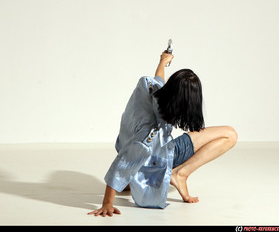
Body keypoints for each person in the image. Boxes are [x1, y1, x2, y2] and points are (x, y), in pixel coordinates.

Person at [88, 50, 238, 217]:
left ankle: (133, 179)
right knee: (230, 134)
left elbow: (159, 80)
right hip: (154, 160)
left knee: (136, 157)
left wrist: (163, 61)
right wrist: (107, 204)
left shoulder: (149, 87)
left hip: (128, 145)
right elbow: (122, 164)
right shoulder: (150, 132)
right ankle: (180, 174)